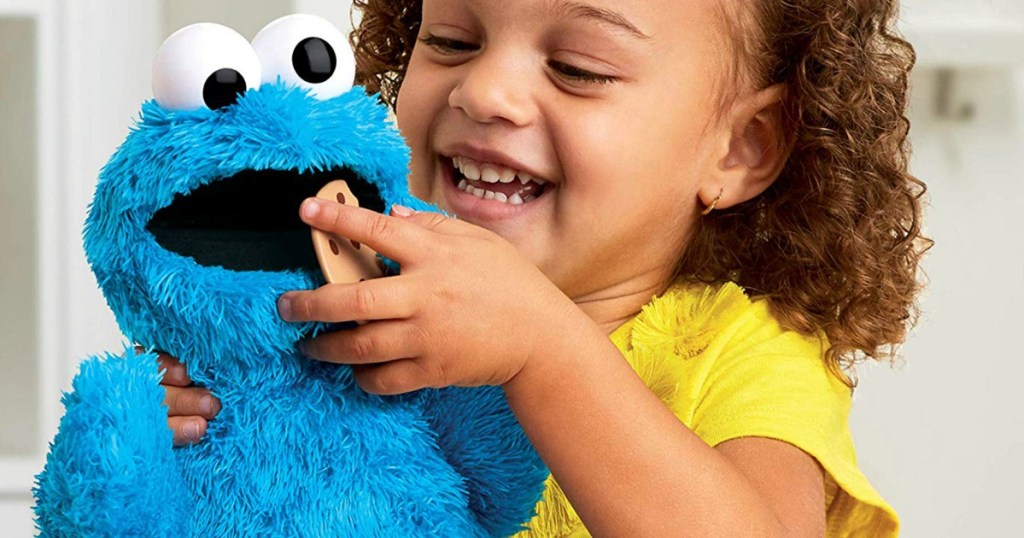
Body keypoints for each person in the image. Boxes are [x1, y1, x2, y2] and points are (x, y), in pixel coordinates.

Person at [156, 0, 931, 535]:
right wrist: (182, 433)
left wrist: (543, 352)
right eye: (451, 40)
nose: (484, 91)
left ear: (741, 147)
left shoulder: (744, 355)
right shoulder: (342, 299)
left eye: (577, 67)